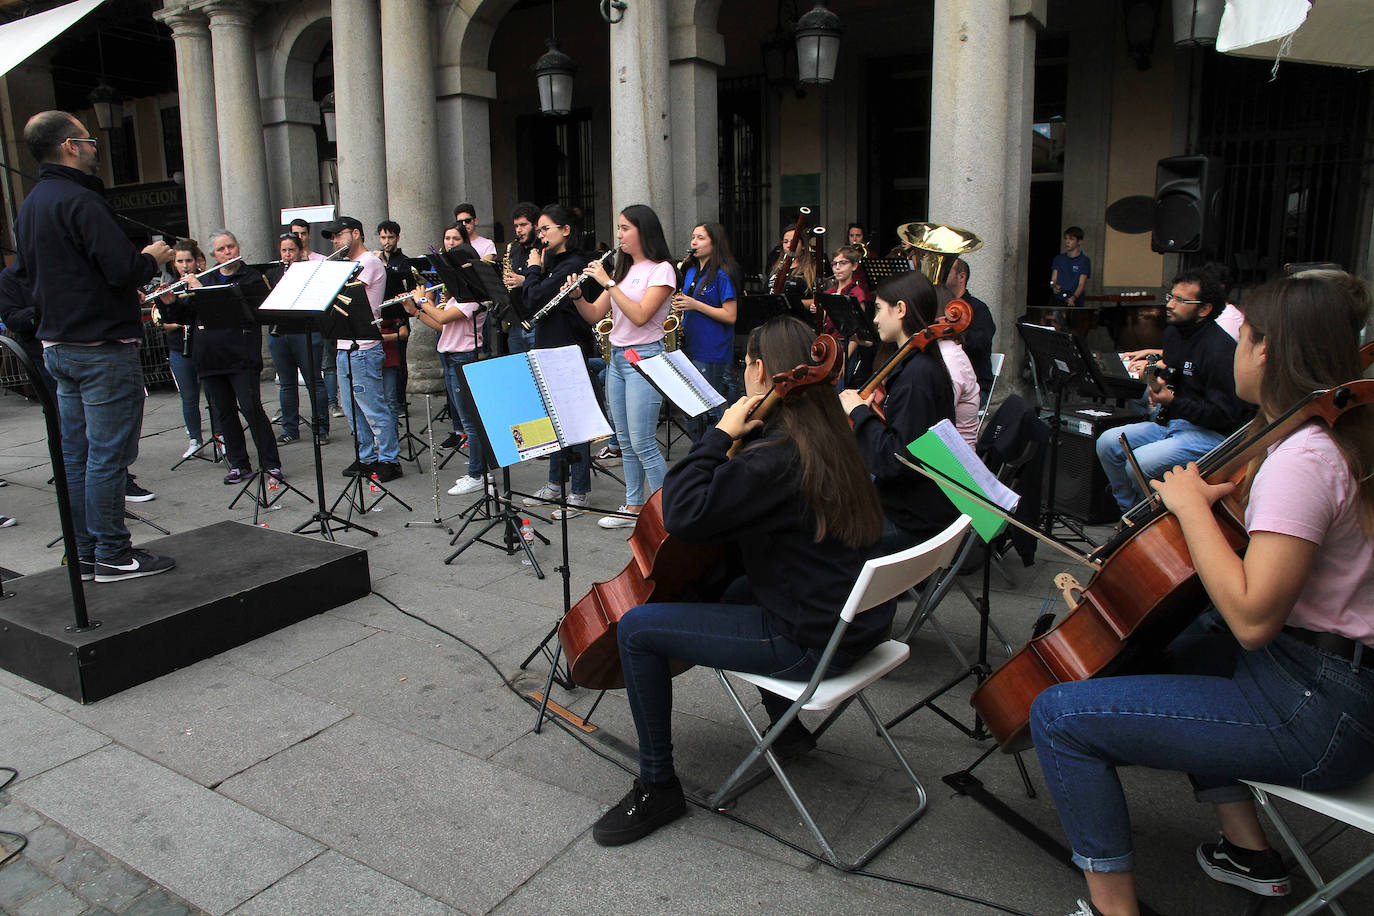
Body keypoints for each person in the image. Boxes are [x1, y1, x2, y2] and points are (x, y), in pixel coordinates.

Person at [1033, 270, 1374, 916]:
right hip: (1326, 683)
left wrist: (1190, 509)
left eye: (1242, 338)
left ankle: (1112, 911)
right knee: (1184, 649)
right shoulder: (1334, 440)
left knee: (1059, 717)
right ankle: (1248, 853)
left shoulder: (1302, 460)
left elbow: (1250, 620)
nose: (1234, 350)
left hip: (1315, 707)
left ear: (1267, 350)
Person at [590, 315, 888, 846]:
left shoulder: (774, 458)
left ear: (759, 371)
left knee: (636, 629)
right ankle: (788, 731)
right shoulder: (833, 435)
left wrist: (720, 434)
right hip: (857, 624)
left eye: (748, 362)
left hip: (812, 641)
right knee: (731, 591)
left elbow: (683, 512)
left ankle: (657, 786)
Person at [14, 110, 174, 582]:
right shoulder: (80, 201)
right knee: (109, 456)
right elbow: (121, 268)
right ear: (69, 146)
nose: (94, 148)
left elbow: (34, 274)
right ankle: (112, 552)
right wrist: (151, 258)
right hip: (101, 347)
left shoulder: (32, 204)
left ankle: (84, 552)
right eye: (89, 141)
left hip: (59, 346)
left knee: (78, 454)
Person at [1095, 266, 1251, 512]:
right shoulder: (1173, 334)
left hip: (1208, 434)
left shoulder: (1219, 349)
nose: (1170, 304)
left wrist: (1173, 401)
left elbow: (1224, 414)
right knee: (1107, 443)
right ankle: (1130, 512)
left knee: (1139, 464)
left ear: (1204, 309)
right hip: (1171, 423)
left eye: (1180, 300)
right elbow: (1175, 375)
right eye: (1171, 297)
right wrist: (1156, 380)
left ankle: (1145, 518)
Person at [839, 270, 959, 552]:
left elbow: (896, 461)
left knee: (828, 539)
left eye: (879, 309)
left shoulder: (916, 375)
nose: (875, 319)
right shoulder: (918, 364)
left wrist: (859, 415)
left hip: (912, 519)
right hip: (910, 506)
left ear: (901, 309)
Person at [574, 205, 676, 529]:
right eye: (618, 228)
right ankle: (633, 505)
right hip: (617, 358)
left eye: (624, 228)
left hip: (644, 357)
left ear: (643, 231)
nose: (619, 235)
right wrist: (577, 295)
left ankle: (666, 513)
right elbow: (593, 315)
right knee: (626, 440)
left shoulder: (661, 271)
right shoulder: (624, 271)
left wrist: (607, 283)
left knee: (644, 440)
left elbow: (641, 315)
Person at [519, 204, 594, 517]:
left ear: (565, 230)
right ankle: (554, 483)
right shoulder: (551, 263)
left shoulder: (573, 264)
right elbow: (527, 303)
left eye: (545, 228)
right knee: (552, 419)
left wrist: (532, 271)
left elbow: (536, 297)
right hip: (547, 344)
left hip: (568, 346)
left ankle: (578, 491)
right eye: (538, 231)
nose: (540, 235)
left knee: (574, 421)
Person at [189, 231, 281, 486]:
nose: (228, 252)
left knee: (251, 409)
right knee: (224, 413)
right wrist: (169, 300)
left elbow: (253, 310)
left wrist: (202, 293)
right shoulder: (204, 278)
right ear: (213, 255)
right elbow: (186, 314)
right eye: (221, 249)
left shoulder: (250, 277)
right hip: (210, 357)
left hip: (241, 355)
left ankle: (271, 463)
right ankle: (239, 464)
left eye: (231, 246)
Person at [407, 223, 486, 495]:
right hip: (450, 357)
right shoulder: (457, 297)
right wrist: (415, 311)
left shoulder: (473, 298)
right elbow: (443, 327)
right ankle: (477, 470)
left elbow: (441, 317)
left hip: (464, 359)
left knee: (471, 423)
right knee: (466, 421)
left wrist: (422, 300)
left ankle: (477, 474)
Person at [323, 216, 402, 482]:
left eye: (339, 235)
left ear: (355, 233)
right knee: (351, 408)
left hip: (365, 347)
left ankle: (389, 458)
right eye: (332, 237)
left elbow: (345, 292)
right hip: (344, 344)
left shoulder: (368, 261)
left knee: (373, 407)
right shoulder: (346, 264)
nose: (335, 241)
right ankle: (366, 456)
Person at [676, 222, 740, 442]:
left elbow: (730, 315)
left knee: (711, 409)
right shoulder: (691, 270)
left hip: (712, 349)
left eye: (701, 238)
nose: (694, 242)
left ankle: (714, 452)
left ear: (715, 242)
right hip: (691, 346)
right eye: (693, 237)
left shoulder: (722, 275)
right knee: (692, 406)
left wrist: (695, 305)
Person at [265, 233, 330, 446]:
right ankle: (289, 429)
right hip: (280, 333)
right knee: (286, 383)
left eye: (291, 250)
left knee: (314, 381)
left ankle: (321, 428)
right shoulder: (274, 273)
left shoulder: (310, 271)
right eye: (283, 250)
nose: (287, 255)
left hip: (305, 332)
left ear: (301, 252)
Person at [152, 240, 210, 458]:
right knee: (188, 397)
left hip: (204, 347)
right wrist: (167, 303)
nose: (185, 266)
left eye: (188, 261)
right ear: (174, 264)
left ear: (197, 262)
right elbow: (164, 320)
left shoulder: (204, 284)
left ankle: (222, 436)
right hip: (179, 347)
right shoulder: (171, 286)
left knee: (214, 395)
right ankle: (195, 439)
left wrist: (198, 290)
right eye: (180, 261)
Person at [945, 257, 997, 403]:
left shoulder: (979, 308)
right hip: (947, 383)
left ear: (962, 277)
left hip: (974, 388)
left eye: (947, 270)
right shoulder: (942, 308)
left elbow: (982, 341)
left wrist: (951, 333)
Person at [375, 219, 413, 411]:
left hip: (398, 315)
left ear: (397, 238)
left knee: (399, 359)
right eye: (383, 237)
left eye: (390, 237)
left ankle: (399, 400)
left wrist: (383, 266)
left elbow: (410, 285)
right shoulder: (375, 259)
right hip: (380, 314)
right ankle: (385, 399)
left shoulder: (403, 261)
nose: (387, 241)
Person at [823, 244, 873, 385]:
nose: (837, 267)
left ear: (854, 266)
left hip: (846, 347)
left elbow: (857, 330)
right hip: (828, 344)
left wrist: (844, 358)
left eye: (843, 263)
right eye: (834, 264)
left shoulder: (857, 293)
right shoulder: (829, 293)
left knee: (839, 388)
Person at [502, 201, 542, 354]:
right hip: (516, 322)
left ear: (535, 225)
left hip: (535, 322)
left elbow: (547, 283)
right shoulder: (514, 250)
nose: (518, 230)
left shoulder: (543, 249)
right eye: (516, 226)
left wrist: (523, 281)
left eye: (523, 225)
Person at [1051, 226, 1090, 307]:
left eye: (1071, 239)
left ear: (1079, 241)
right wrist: (1054, 286)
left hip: (1075, 300)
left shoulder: (1084, 260)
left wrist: (1074, 297)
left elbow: (1081, 284)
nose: (1067, 242)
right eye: (1066, 239)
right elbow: (1053, 279)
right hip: (1058, 299)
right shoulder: (1058, 259)